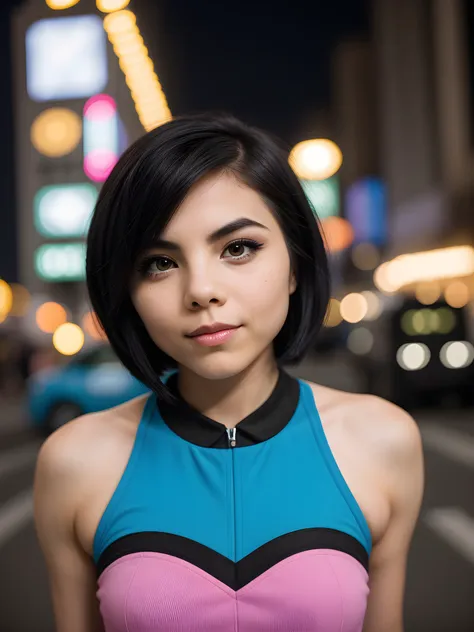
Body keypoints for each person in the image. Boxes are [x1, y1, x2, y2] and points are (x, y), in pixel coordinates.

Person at [33, 113, 424, 632]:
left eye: (238, 248)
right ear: (127, 291)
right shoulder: (73, 462)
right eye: (158, 262)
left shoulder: (383, 440)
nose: (201, 290)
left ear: (295, 265)